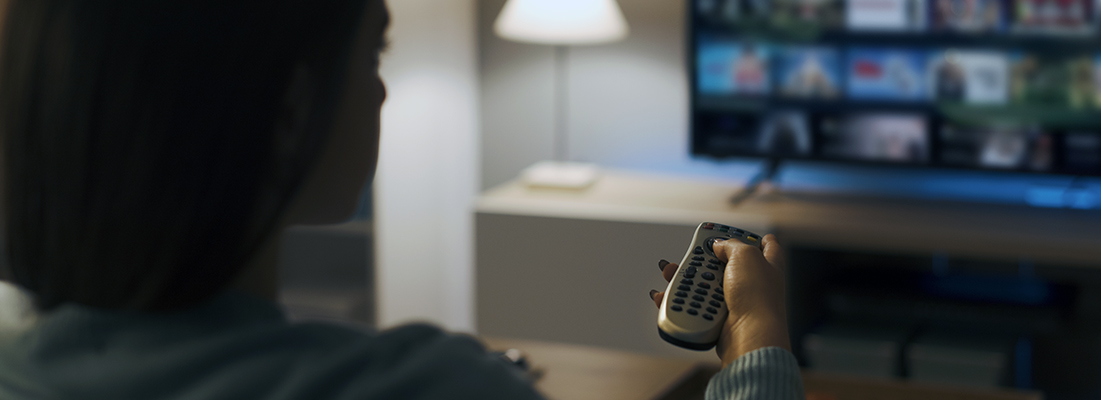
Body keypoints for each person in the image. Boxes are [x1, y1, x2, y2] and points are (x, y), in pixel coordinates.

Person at [0, 0, 803, 399]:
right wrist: (758, 337)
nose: (383, 91)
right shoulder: (436, 389)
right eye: (376, 49)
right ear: (288, 112)